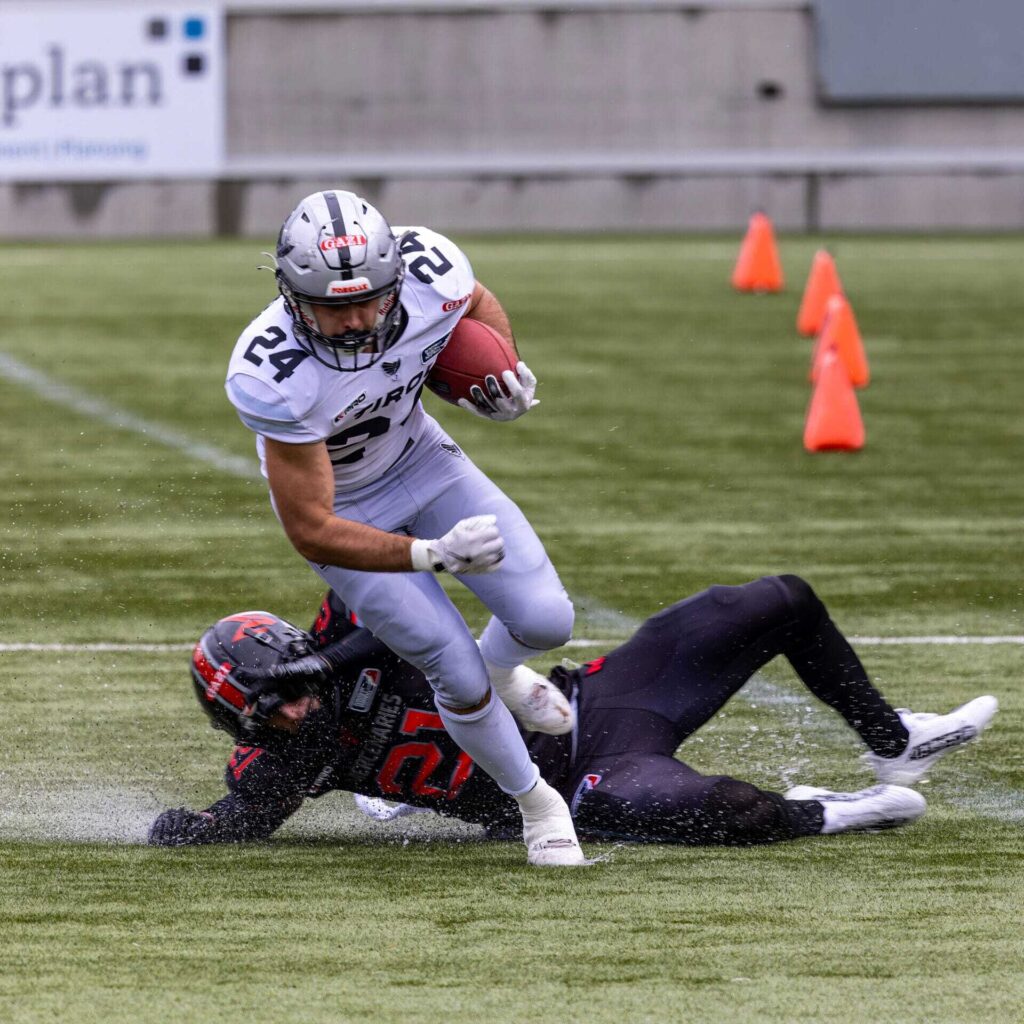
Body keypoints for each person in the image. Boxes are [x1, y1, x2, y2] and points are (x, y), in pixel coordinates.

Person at [224, 189, 581, 865]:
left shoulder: (430, 266)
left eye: (369, 300)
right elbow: (312, 529)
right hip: (347, 511)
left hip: (425, 461)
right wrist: (431, 555)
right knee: (451, 668)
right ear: (292, 297)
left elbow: (473, 302)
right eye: (334, 308)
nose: (358, 321)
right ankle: (537, 803)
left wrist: (502, 367)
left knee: (547, 621)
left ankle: (505, 667)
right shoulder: (272, 374)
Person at [149, 574, 997, 847]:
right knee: (690, 809)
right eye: (273, 710)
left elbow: (409, 604)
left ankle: (895, 741)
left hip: (587, 701)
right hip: (573, 785)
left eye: (294, 688)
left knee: (775, 600)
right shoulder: (280, 763)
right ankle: (829, 811)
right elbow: (231, 820)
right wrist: (174, 828)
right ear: (244, 726)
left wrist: (322, 663)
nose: (296, 713)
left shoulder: (347, 631)